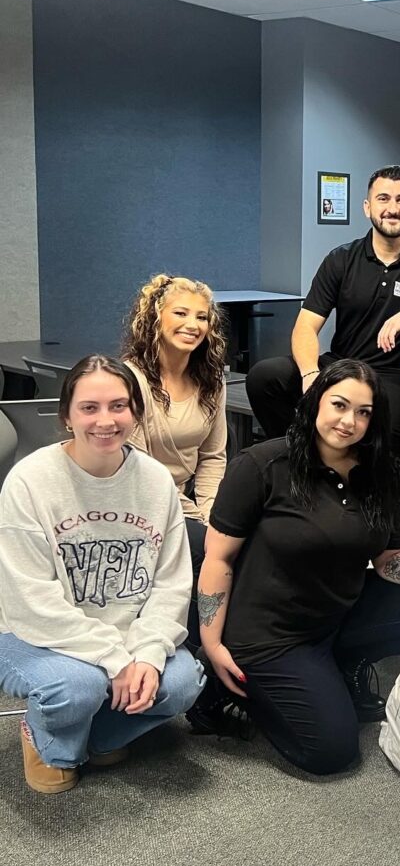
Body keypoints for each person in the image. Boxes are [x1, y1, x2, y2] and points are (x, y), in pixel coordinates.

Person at [195, 359, 400, 775]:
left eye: (363, 412)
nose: (349, 421)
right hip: (271, 634)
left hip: (338, 613)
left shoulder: (379, 474)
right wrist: (213, 644)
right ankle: (237, 695)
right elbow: (219, 558)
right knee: (331, 752)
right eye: (339, 405)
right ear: (316, 402)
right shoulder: (262, 465)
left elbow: (391, 561)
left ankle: (337, 666)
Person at [0, 355, 204, 794]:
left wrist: (146, 653)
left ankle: (95, 732)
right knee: (78, 686)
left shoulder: (154, 480)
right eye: (89, 408)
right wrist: (115, 660)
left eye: (118, 406)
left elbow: (171, 583)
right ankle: (48, 739)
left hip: (124, 629)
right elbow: (30, 600)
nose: (105, 421)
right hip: (32, 631)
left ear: (135, 411)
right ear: (67, 416)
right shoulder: (29, 481)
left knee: (183, 683)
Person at [246, 165, 400, 441]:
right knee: (264, 377)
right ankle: (296, 455)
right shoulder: (341, 259)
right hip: (340, 364)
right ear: (367, 207)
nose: (392, 208)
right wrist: (310, 374)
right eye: (383, 199)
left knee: (383, 423)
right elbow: (305, 327)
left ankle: (361, 481)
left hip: (393, 376)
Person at [122, 274, 228, 647]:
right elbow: (138, 468)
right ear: (156, 317)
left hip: (187, 503)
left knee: (246, 540)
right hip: (141, 503)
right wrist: (198, 518)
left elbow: (213, 457)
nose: (192, 325)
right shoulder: (130, 380)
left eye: (202, 317)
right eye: (181, 313)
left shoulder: (211, 379)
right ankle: (199, 650)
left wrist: (214, 511)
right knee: (208, 550)